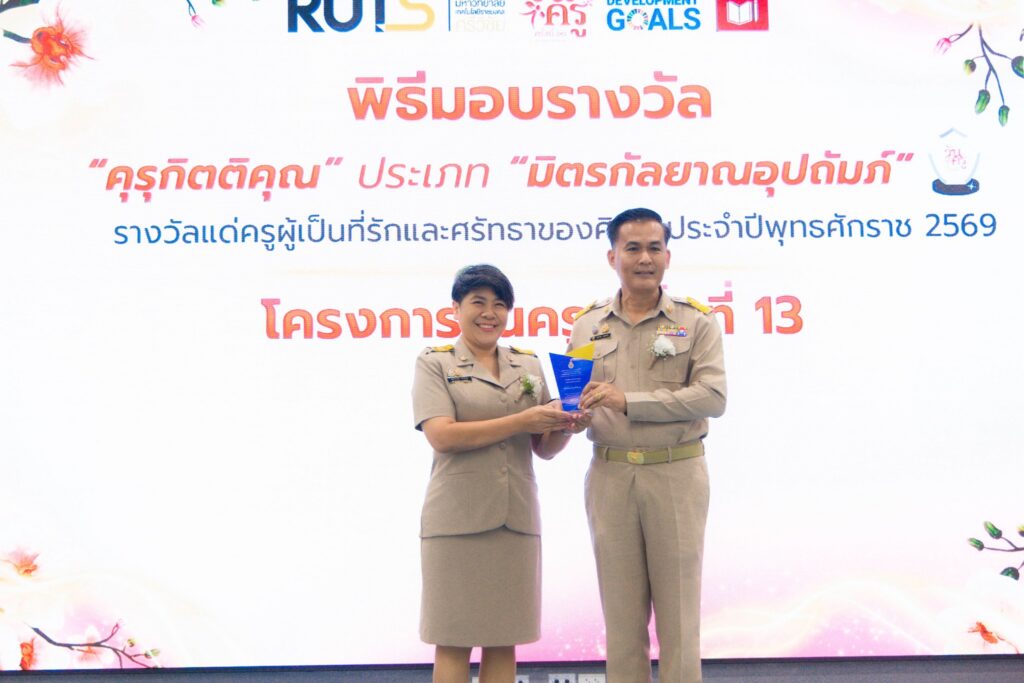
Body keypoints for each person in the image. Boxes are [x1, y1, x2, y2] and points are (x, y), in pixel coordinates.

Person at [568, 208, 727, 683]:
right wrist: (566, 416)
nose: (644, 258)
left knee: (679, 618)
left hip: (675, 474)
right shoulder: (586, 325)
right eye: (633, 248)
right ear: (612, 256)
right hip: (610, 475)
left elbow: (713, 397)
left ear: (668, 256)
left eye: (654, 248)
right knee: (621, 622)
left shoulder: (696, 321)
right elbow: (574, 399)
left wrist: (628, 401)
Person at [412, 264, 590, 683]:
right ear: (456, 308)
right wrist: (521, 420)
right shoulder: (435, 362)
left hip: (515, 518)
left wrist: (569, 425)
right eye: (478, 302)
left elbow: (544, 449)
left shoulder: (526, 365)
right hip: (456, 521)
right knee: (452, 638)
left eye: (500, 305)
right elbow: (442, 436)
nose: (489, 313)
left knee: (503, 638)